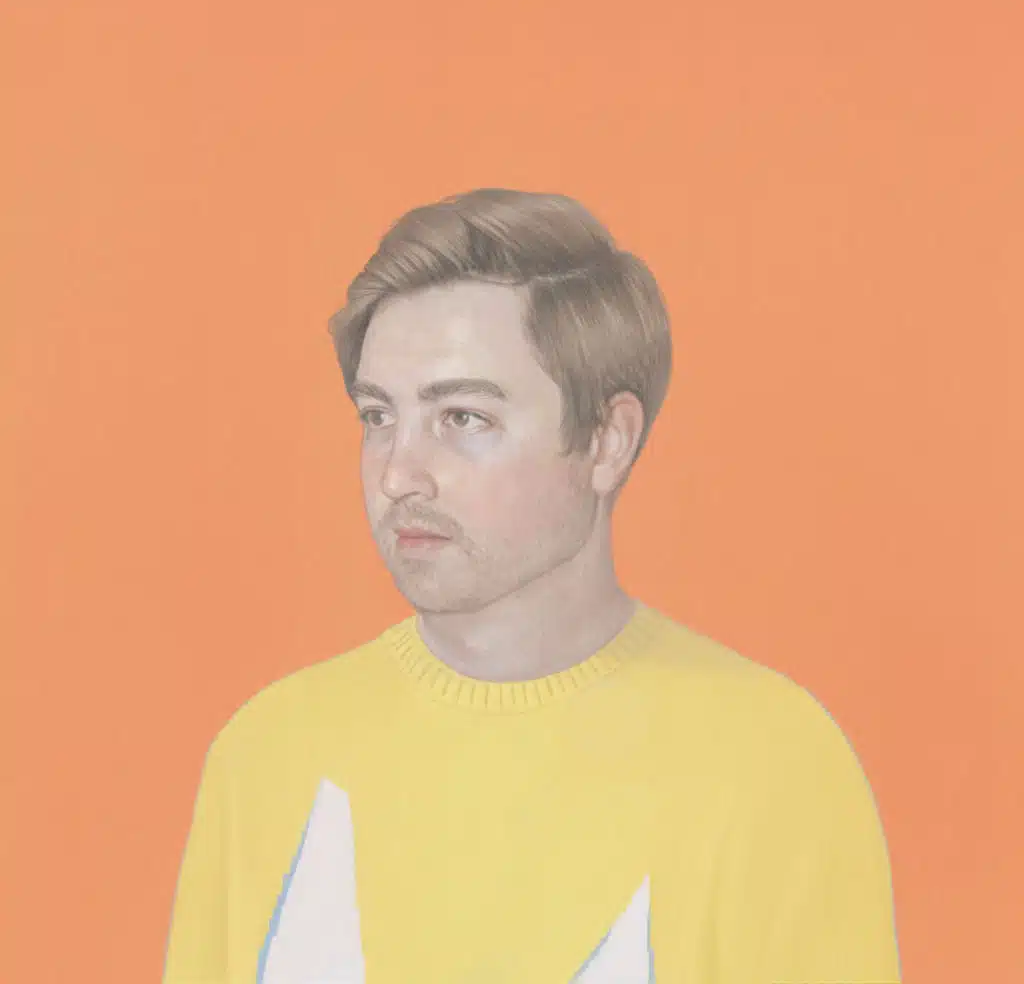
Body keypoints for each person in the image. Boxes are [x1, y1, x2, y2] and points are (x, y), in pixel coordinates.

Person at [161, 188, 902, 983]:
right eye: (378, 416)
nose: (399, 474)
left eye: (463, 418)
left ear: (607, 441)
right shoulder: (267, 752)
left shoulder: (773, 766)